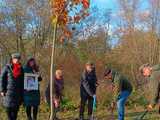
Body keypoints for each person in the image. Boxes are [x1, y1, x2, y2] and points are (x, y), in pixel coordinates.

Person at [0, 53, 24, 120]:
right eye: (15, 58)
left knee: (15, 114)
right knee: (9, 112)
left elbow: (22, 82)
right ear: (12, 59)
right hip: (8, 93)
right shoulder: (7, 67)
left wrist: (22, 94)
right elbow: (2, 79)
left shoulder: (21, 69)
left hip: (17, 94)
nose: (17, 60)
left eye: (18, 59)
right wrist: (2, 90)